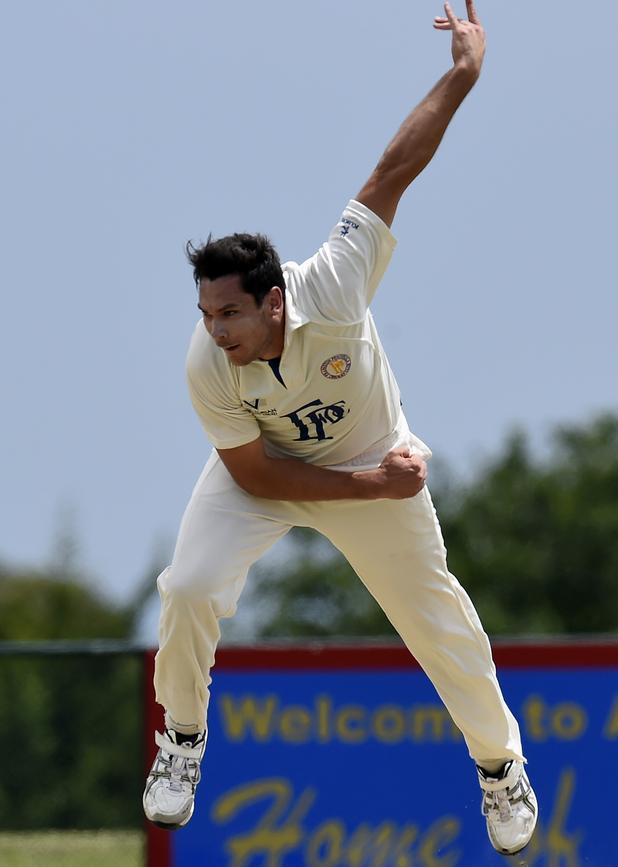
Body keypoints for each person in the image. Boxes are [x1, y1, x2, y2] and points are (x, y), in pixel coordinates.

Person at [143, 0, 538, 855]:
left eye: (231, 313)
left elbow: (395, 167)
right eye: (206, 313)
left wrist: (464, 74)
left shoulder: (331, 281)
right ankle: (180, 737)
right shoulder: (206, 365)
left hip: (369, 457)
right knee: (188, 585)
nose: (216, 330)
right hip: (285, 472)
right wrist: (368, 487)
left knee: (440, 622)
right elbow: (256, 477)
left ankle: (500, 765)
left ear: (274, 296)